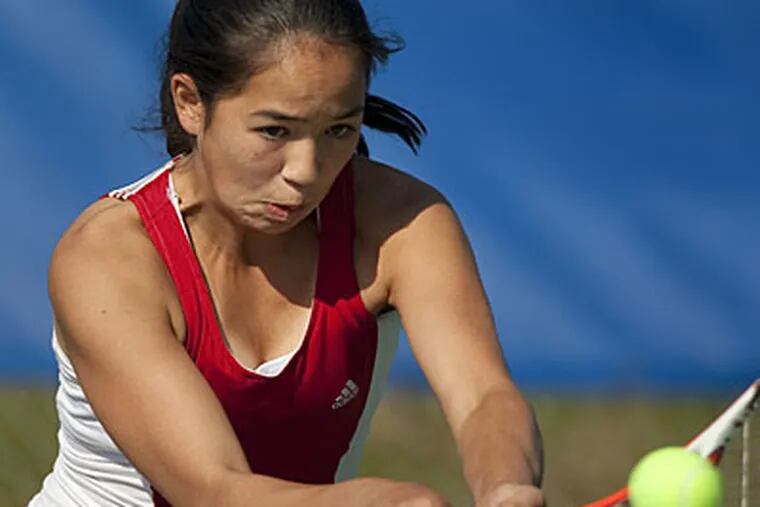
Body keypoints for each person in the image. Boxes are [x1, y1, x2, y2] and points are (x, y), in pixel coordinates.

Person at [30, 1, 544, 506]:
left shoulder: (403, 220)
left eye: (339, 129)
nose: (306, 170)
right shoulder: (106, 258)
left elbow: (484, 396)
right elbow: (214, 490)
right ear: (189, 102)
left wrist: (507, 486)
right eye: (275, 130)